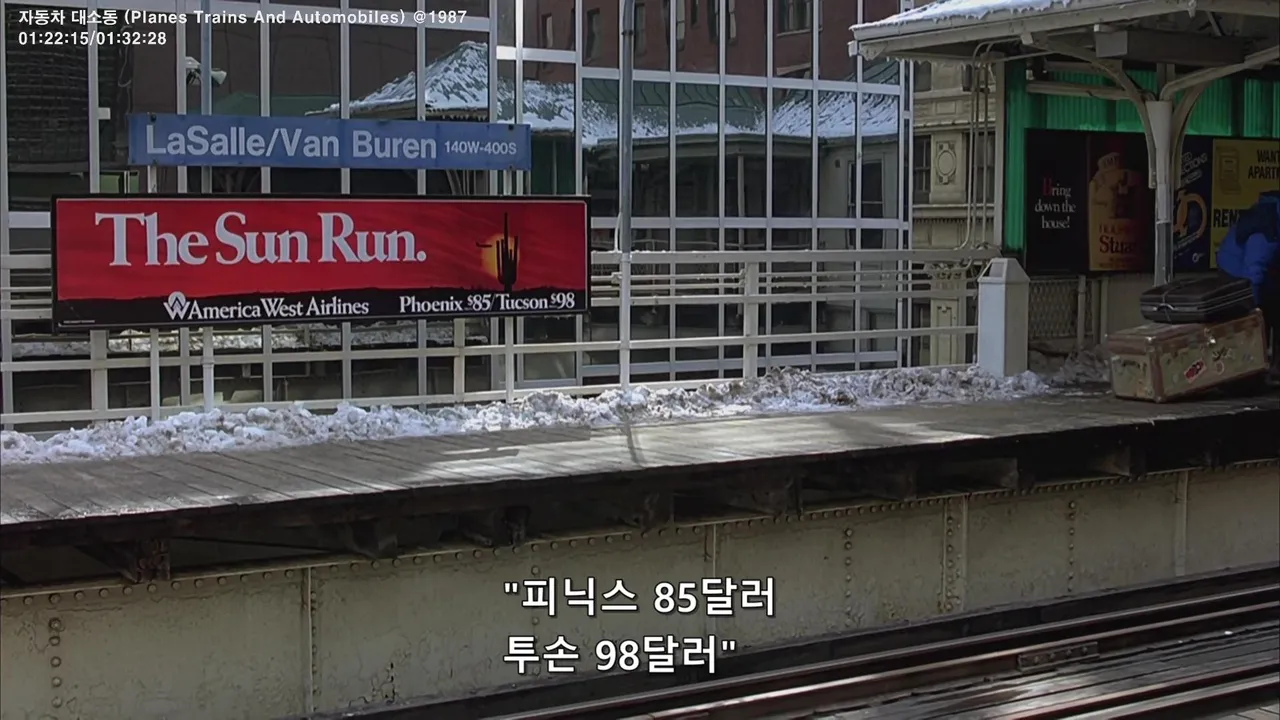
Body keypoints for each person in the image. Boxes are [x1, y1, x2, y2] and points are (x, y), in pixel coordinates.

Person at [1215, 190, 1280, 381]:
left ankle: (1273, 366)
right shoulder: (1267, 232)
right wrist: (1256, 310)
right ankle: (1251, 368)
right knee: (1256, 317)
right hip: (1235, 272)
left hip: (1264, 271)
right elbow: (1254, 274)